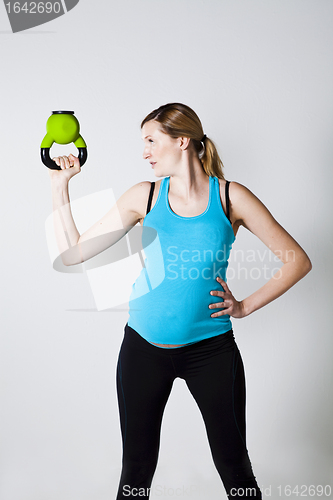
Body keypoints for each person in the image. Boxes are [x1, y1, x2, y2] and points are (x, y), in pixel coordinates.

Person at [48, 103, 312, 499]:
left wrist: (245, 306)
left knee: (234, 465)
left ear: (182, 140)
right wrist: (60, 185)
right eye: (144, 143)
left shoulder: (230, 197)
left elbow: (297, 261)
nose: (145, 152)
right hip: (142, 349)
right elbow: (75, 253)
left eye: (151, 141)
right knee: (135, 469)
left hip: (211, 352)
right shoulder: (145, 196)